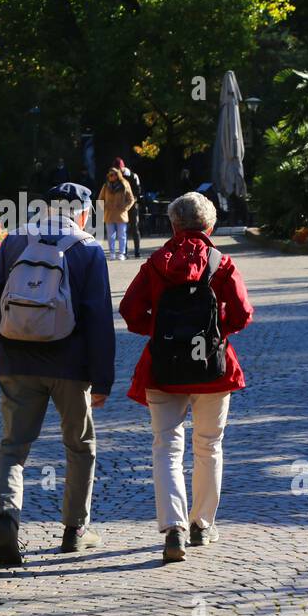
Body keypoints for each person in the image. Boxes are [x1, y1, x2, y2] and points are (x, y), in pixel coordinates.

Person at [0, 182, 115, 566]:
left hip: (17, 363)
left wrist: (0, 345)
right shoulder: (88, 249)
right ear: (84, 212)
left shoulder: (16, 241)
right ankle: (75, 531)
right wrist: (102, 379)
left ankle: (7, 517)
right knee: (79, 446)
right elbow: (100, 320)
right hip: (71, 367)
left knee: (12, 448)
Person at [119, 192, 253, 563]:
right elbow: (242, 313)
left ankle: (173, 528)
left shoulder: (156, 263)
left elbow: (130, 310)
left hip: (164, 367)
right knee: (209, 446)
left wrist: (159, 331)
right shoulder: (221, 263)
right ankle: (202, 524)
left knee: (167, 447)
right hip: (213, 369)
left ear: (173, 225)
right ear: (210, 226)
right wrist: (215, 335)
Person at [99, 166, 136, 261]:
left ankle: (121, 253)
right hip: (109, 214)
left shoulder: (124, 184)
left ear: (118, 175)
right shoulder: (106, 186)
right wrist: (104, 207)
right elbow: (100, 199)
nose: (112, 176)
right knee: (110, 235)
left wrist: (125, 207)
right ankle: (112, 253)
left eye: (114, 174)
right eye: (110, 175)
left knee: (122, 235)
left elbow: (131, 199)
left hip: (121, 214)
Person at [110, 156, 144, 259]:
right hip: (121, 207)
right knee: (122, 230)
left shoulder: (133, 176)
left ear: (122, 167)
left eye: (119, 169)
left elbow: (138, 190)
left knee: (134, 228)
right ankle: (124, 252)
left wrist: (133, 199)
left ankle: (137, 251)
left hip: (132, 205)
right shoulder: (114, 177)